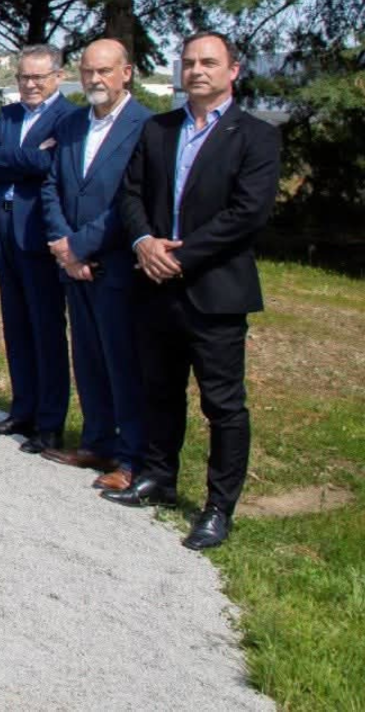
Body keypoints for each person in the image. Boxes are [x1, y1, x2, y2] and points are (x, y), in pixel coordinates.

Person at [109, 32, 280, 551]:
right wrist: (143, 242)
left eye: (209, 62)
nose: (197, 70)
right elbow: (130, 193)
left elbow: (247, 213)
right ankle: (159, 476)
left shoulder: (255, 136)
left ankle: (217, 507)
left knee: (223, 404)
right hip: (154, 285)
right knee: (159, 389)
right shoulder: (159, 129)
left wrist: (179, 256)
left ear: (234, 70)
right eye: (188, 62)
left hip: (214, 290)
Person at [39, 39, 151, 489]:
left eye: (105, 71)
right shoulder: (70, 124)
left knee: (121, 360)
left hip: (115, 263)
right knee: (86, 356)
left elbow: (132, 198)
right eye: (87, 71)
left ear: (126, 72)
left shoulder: (145, 126)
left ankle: (130, 456)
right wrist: (63, 245)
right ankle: (96, 441)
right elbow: (51, 186)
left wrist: (81, 247)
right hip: (72, 262)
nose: (95, 80)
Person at [0, 45, 72, 450]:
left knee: (45, 327)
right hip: (2, 227)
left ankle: (48, 423)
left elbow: (53, 166)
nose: (30, 84)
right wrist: (26, 157)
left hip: (37, 232)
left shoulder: (69, 118)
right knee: (15, 324)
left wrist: (6, 157)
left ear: (58, 78)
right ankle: (22, 409)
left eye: (38, 78)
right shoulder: (9, 115)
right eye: (24, 77)